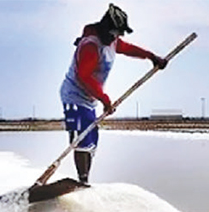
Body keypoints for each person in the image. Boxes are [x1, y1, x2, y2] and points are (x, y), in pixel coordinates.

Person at [60, 3, 167, 185]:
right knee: (81, 137)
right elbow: (84, 76)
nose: (117, 36)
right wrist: (105, 99)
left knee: (92, 139)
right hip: (74, 95)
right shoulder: (91, 45)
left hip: (90, 99)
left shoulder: (112, 41)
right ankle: (82, 181)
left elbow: (129, 49)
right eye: (115, 32)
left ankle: (85, 181)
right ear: (106, 28)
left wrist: (151, 57)